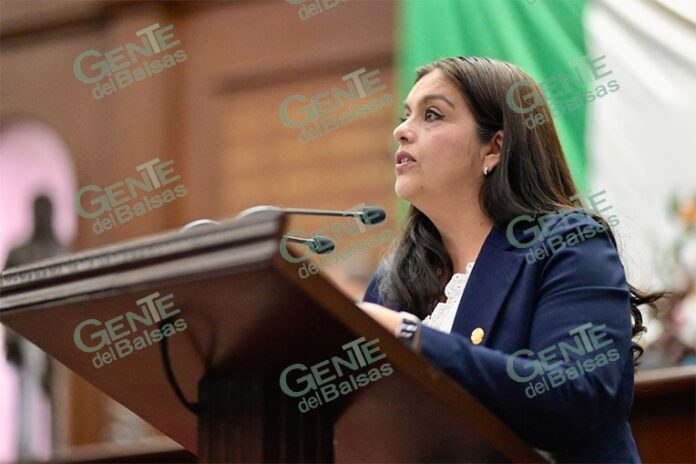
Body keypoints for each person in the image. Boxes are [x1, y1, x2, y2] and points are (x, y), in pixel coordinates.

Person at [358, 56, 661, 462]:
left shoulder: (569, 244)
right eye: (405, 115)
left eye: (432, 115)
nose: (401, 130)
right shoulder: (392, 281)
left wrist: (411, 337)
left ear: (495, 147)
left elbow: (572, 397)